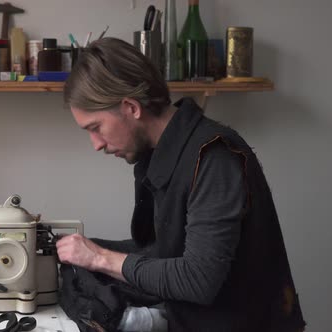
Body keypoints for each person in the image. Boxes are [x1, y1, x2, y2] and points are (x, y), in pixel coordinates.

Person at [55, 37, 306, 332]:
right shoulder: (164, 153)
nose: (96, 144)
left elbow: (198, 279)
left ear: (130, 107)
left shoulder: (212, 156)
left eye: (96, 128)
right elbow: (164, 252)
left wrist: (99, 257)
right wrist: (84, 249)